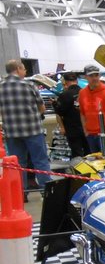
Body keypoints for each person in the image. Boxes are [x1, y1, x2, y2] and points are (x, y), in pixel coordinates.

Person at [0, 58, 52, 194]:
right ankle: (46, 191)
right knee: (40, 161)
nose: (25, 71)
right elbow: (42, 108)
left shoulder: (1, 87)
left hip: (12, 133)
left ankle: (20, 193)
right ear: (18, 69)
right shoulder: (29, 85)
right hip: (33, 130)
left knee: (18, 164)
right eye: (24, 69)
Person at [53, 71, 89, 157]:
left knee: (76, 153)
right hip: (87, 128)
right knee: (89, 152)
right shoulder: (86, 93)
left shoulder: (64, 95)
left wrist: (54, 104)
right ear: (77, 81)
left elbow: (59, 111)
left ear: (65, 82)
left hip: (72, 129)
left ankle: (79, 170)